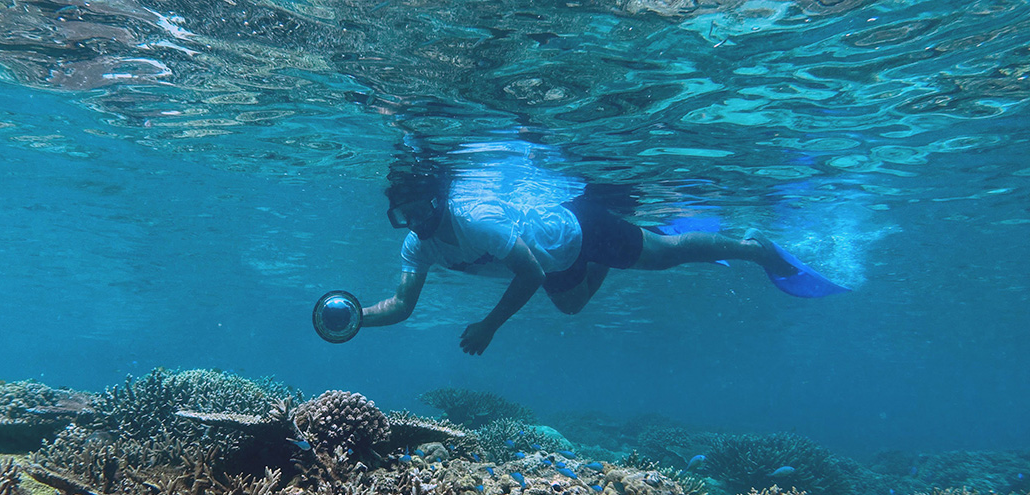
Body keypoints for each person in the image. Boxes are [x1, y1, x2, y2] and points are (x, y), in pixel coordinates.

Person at [360, 162, 848, 356]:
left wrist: (490, 325)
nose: (413, 220)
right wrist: (357, 318)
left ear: (440, 199)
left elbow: (527, 273)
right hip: (556, 257)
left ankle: (755, 249)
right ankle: (628, 231)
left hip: (578, 229)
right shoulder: (417, 246)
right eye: (401, 214)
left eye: (420, 207)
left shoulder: (477, 223)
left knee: (669, 255)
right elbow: (402, 305)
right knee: (571, 306)